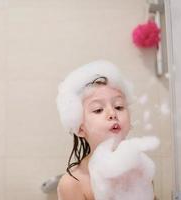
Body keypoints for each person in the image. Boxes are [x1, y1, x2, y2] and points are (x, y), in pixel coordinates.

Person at [56, 60, 159, 200]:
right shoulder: (74, 183)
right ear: (80, 128)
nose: (112, 113)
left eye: (119, 107)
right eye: (98, 110)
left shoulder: (140, 169)